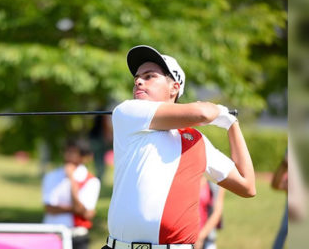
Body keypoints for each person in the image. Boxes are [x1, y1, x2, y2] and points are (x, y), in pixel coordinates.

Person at [102, 45, 256, 249]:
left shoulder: (195, 140)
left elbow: (247, 186)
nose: (138, 81)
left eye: (149, 76)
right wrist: (218, 110)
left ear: (174, 87)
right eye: (137, 78)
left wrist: (231, 124)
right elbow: (202, 113)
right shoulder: (128, 111)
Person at [42, 139, 101, 249]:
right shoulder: (52, 176)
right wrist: (77, 210)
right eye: (67, 151)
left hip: (77, 236)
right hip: (52, 235)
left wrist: (72, 180)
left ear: (84, 157)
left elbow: (80, 209)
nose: (68, 155)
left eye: (73, 152)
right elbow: (50, 208)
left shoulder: (91, 180)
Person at [195, 176, 225, 249]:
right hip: (185, 238)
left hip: (207, 238)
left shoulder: (217, 181)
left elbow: (217, 212)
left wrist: (200, 238)